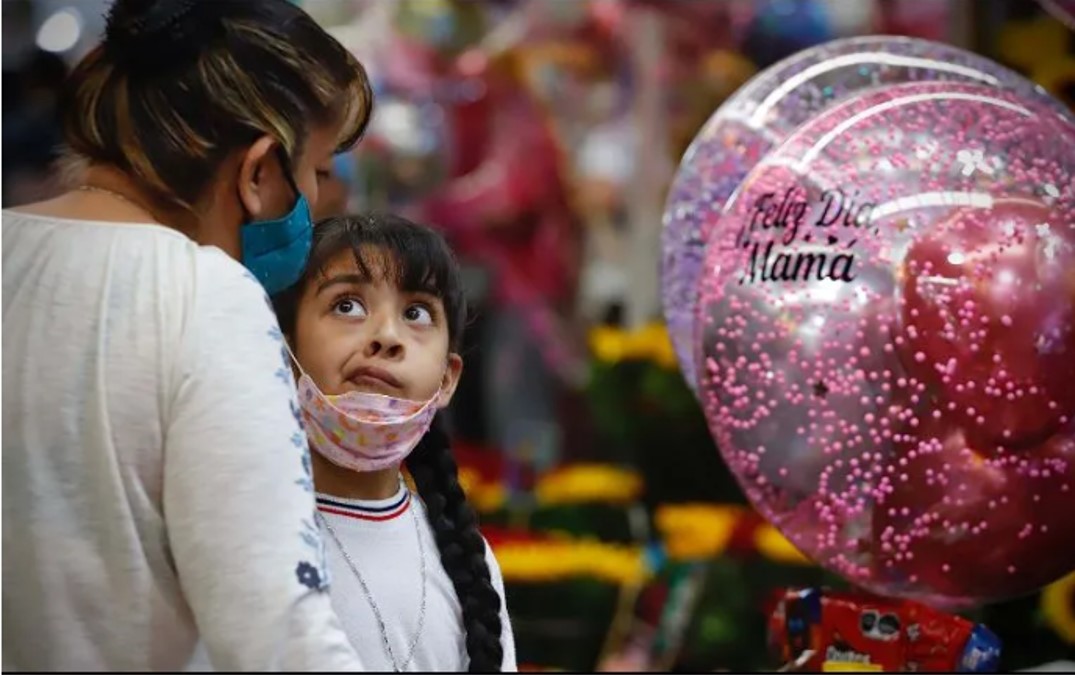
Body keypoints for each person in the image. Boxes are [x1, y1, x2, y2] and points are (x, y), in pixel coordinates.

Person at [2, 0, 375, 670]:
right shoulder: (202, 295)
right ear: (260, 170)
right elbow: (276, 632)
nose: (323, 200)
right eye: (318, 171)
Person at [271, 214, 517, 672]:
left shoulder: (469, 565)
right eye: (347, 306)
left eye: (416, 313)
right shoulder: (247, 540)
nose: (386, 336)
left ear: (447, 379)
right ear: (285, 353)